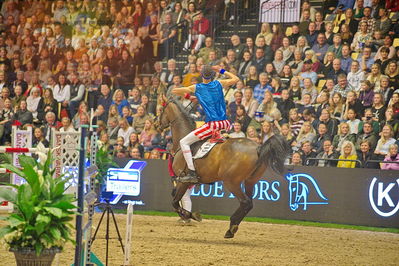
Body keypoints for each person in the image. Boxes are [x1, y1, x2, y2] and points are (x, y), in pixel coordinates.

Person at [171, 65, 239, 182]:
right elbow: (236, 79)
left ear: (201, 75)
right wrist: (221, 70)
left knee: (184, 142)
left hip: (213, 125)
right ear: (213, 76)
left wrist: (189, 96)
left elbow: (174, 90)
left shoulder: (197, 87)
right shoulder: (218, 83)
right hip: (226, 123)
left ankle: (192, 172)